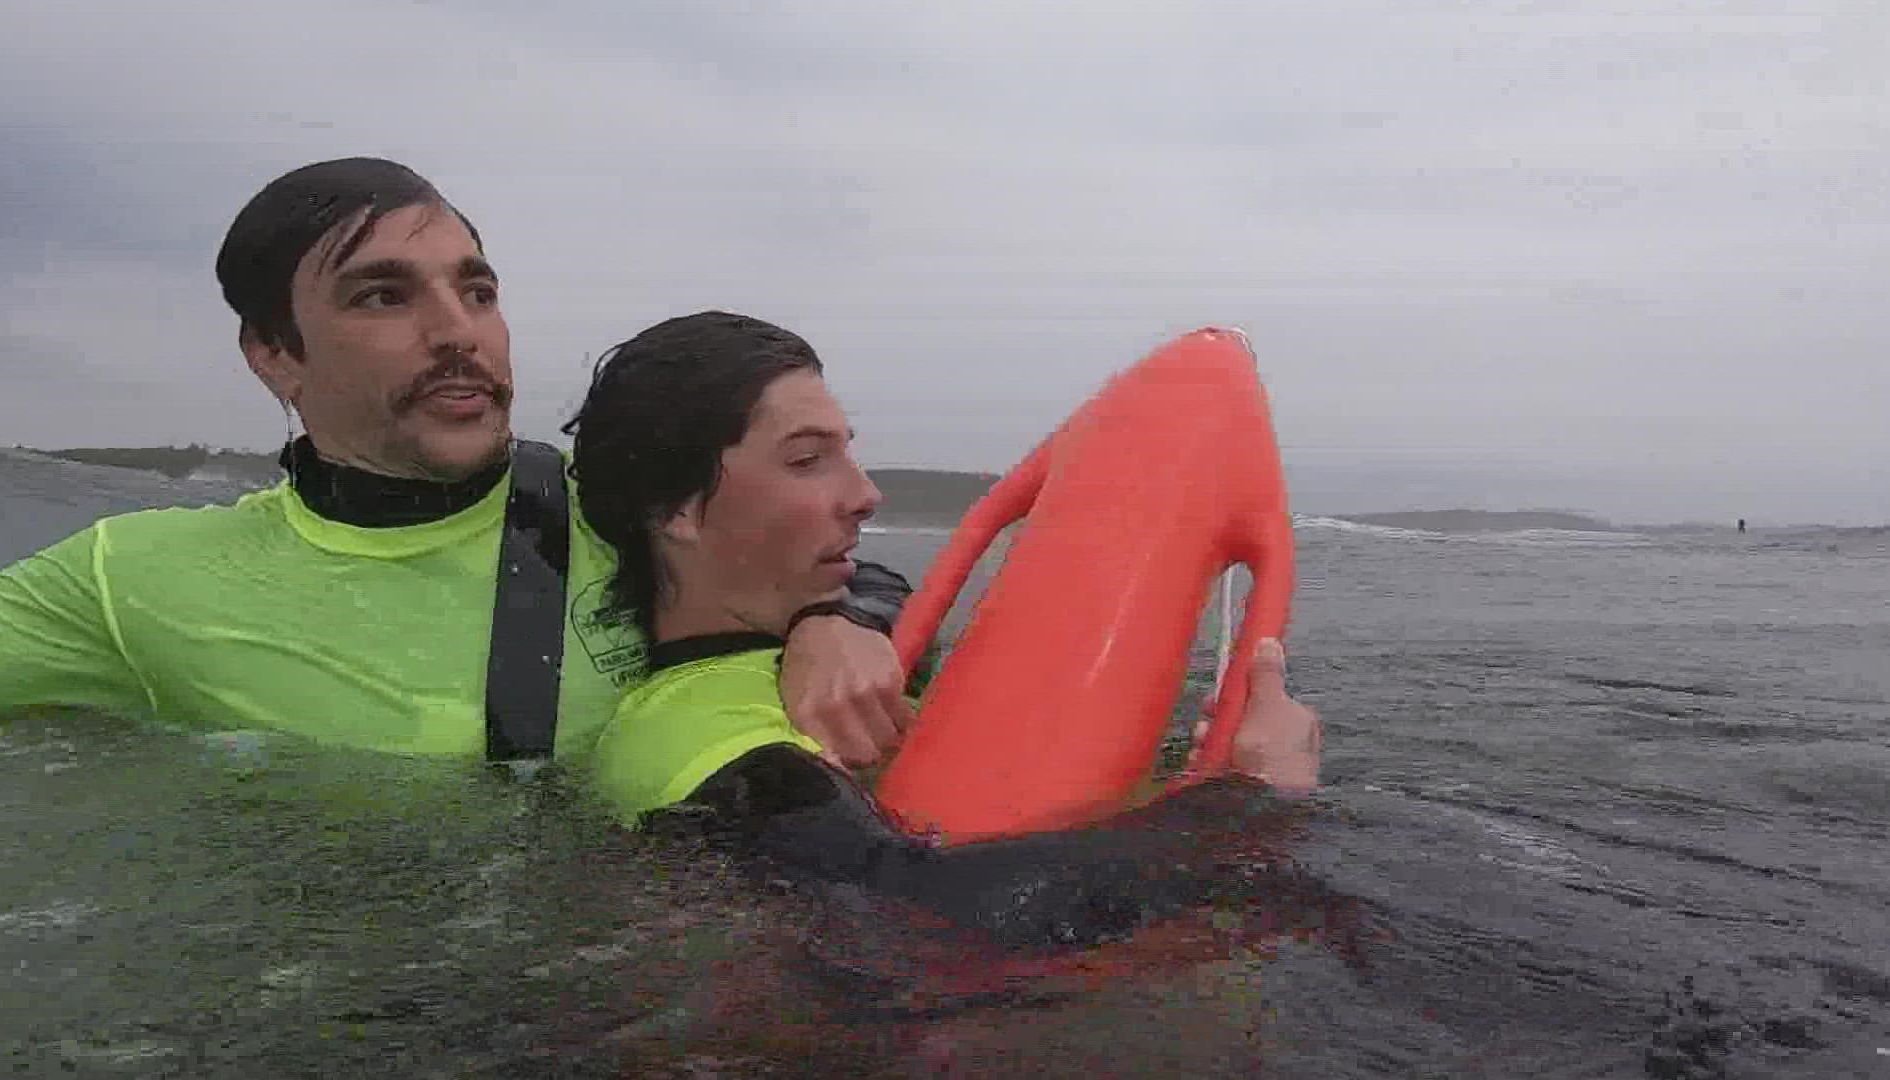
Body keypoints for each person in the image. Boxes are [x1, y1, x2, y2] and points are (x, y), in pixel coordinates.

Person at [0, 158, 914, 769]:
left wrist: (831, 622)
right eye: (383, 296)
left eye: (477, 290)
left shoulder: (612, 507)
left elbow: (852, 569)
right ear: (274, 353)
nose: (457, 333)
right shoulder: (132, 579)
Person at [565, 311, 1325, 948]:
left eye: (848, 452)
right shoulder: (700, 744)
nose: (865, 494)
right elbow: (926, 925)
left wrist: (828, 616)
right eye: (806, 461)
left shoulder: (838, 654)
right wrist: (1249, 804)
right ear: (675, 512)